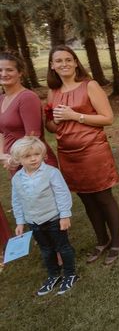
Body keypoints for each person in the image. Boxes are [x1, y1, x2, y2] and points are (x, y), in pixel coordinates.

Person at [45, 45, 119, 265]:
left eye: (68, 60)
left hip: (92, 150)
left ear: (76, 62)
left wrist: (75, 115)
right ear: (52, 65)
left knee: (103, 197)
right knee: (86, 199)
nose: (64, 64)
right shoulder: (53, 92)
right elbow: (50, 127)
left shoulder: (90, 86)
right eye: (58, 61)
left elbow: (107, 118)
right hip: (68, 154)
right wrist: (56, 121)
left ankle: (117, 241)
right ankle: (102, 240)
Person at [0, 50, 58, 258]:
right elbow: (1, 132)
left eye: (9, 70)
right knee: (31, 207)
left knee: (48, 210)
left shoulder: (27, 97)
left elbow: (32, 135)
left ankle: (61, 255)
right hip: (13, 162)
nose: (4, 74)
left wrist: (15, 159)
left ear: (20, 73)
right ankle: (48, 251)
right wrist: (3, 157)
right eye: (0, 70)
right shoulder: (1, 99)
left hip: (33, 161)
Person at [10, 136, 78, 295]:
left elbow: (62, 194)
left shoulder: (51, 173)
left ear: (42, 154)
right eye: (27, 156)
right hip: (34, 222)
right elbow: (17, 201)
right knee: (46, 250)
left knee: (63, 247)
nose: (33, 159)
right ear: (18, 159)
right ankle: (54, 275)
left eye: (36, 154)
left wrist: (65, 215)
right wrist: (20, 222)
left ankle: (70, 274)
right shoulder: (17, 179)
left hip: (54, 219)